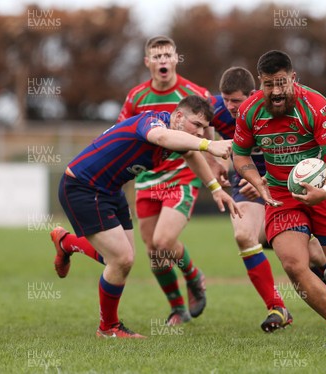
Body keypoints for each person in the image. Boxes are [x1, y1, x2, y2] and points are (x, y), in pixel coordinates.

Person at [50, 95, 239, 338]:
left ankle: (66, 242)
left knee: (121, 260)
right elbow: (161, 138)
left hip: (110, 190)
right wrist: (209, 146)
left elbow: (191, 155)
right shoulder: (154, 123)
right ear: (179, 117)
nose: (202, 133)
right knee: (122, 260)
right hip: (82, 186)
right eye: (197, 125)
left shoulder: (179, 137)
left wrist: (215, 189)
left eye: (205, 128)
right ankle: (108, 328)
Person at [212, 67, 326, 332]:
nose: (229, 106)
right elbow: (229, 150)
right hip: (271, 188)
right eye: (268, 84)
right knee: (288, 260)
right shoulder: (243, 111)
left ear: (293, 79)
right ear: (260, 84)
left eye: (281, 84)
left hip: (318, 189)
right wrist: (248, 178)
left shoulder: (315, 105)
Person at [117, 36, 224, 326]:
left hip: (182, 174)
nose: (163, 60)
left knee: (164, 241)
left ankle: (193, 276)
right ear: (147, 62)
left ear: (176, 58)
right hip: (146, 177)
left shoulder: (193, 93)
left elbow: (208, 134)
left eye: (167, 55)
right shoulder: (136, 96)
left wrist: (215, 166)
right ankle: (178, 308)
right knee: (154, 252)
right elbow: (123, 132)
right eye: (157, 56)